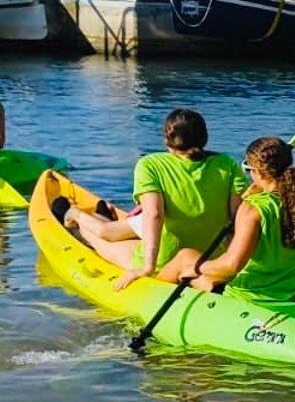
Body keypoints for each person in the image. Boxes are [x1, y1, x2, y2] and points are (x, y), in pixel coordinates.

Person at [60, 107, 247, 291]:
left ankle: (74, 215)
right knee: (115, 233)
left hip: (164, 262)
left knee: (101, 241)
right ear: (204, 136)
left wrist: (147, 268)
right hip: (214, 261)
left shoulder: (150, 164)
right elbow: (236, 219)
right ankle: (85, 216)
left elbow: (155, 214)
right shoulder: (227, 163)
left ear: (167, 138)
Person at [185, 136, 295, 301]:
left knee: (185, 262)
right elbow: (287, 207)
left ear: (258, 172)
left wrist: (197, 268)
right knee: (187, 256)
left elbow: (232, 265)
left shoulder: (253, 209)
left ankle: (150, 299)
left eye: (249, 170)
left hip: (249, 296)